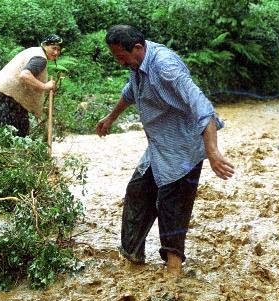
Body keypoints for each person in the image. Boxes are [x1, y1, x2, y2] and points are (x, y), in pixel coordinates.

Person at [96, 25, 234, 275]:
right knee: (137, 192)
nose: (119, 62)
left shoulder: (166, 67)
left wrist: (212, 152)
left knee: (173, 206)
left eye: (120, 56)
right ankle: (132, 258)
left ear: (137, 48)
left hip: (183, 149)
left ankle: (173, 273)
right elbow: (130, 93)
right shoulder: (137, 65)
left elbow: (203, 107)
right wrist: (111, 117)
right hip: (159, 145)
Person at [0, 34, 62, 137]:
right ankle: (10, 151)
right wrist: (45, 86)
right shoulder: (40, 59)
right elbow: (25, 75)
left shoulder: (34, 51)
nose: (56, 52)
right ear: (44, 45)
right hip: (9, 94)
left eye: (58, 49)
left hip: (0, 88)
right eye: (53, 48)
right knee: (17, 130)